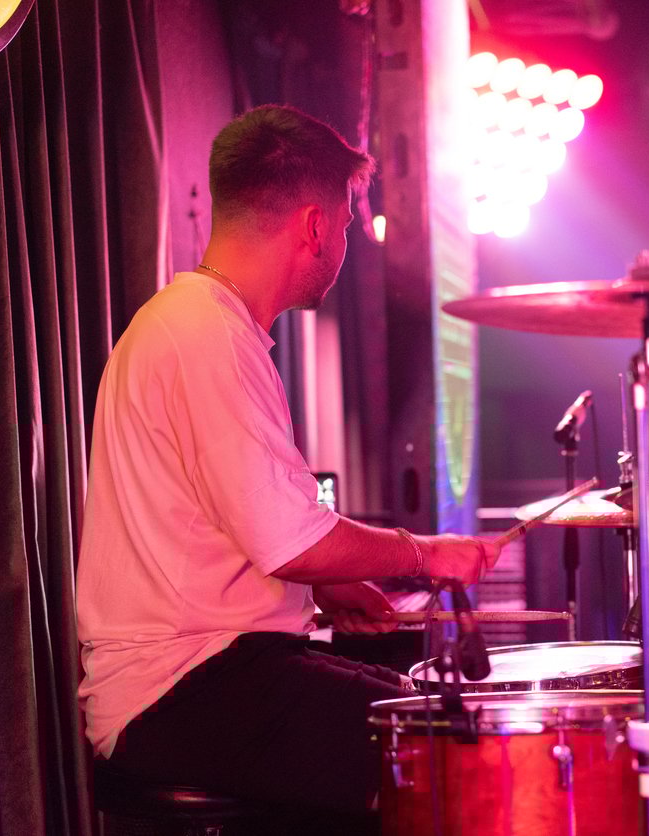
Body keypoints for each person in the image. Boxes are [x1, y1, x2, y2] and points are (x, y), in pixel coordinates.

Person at [76, 104, 500, 821]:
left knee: (428, 711)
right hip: (179, 693)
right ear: (311, 226)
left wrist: (327, 592)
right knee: (455, 748)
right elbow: (289, 539)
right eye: (344, 224)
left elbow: (229, 531)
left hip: (211, 674)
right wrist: (430, 555)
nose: (346, 241)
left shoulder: (201, 324)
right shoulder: (204, 333)